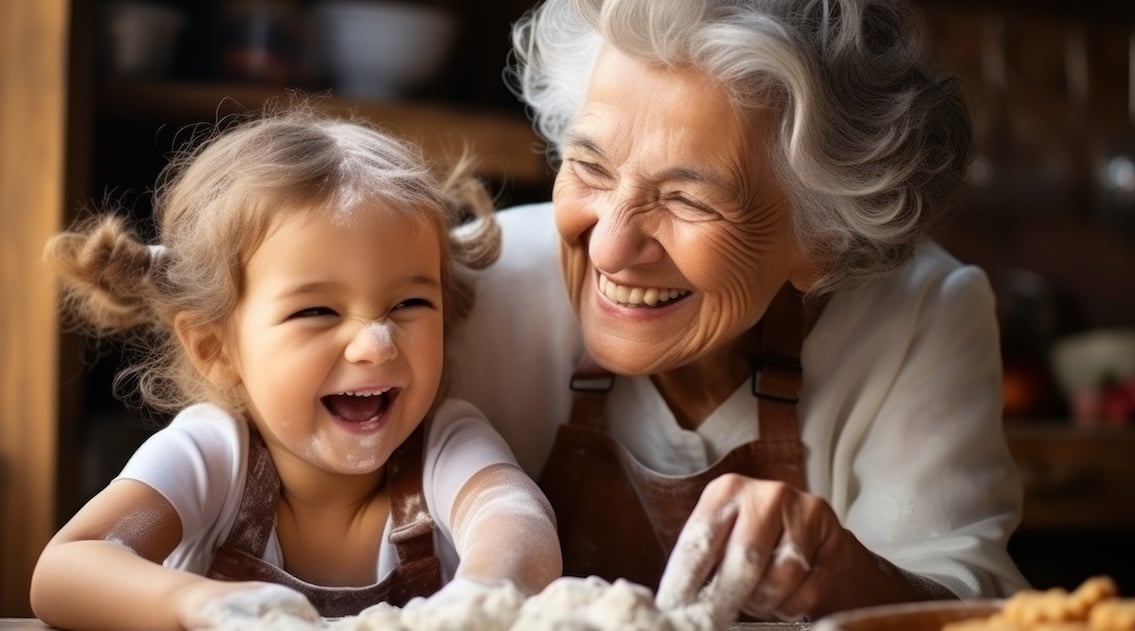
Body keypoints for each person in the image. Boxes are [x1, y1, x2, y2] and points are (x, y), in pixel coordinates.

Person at [446, 0, 1028, 623]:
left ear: (823, 237)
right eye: (590, 166)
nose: (609, 248)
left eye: (688, 200)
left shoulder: (921, 315)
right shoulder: (471, 288)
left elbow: (981, 613)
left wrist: (842, 571)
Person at [30, 104, 562, 630]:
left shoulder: (447, 446)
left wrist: (482, 597)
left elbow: (518, 525)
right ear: (215, 348)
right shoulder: (214, 455)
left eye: (409, 305)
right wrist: (198, 605)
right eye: (317, 311)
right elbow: (63, 571)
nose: (376, 345)